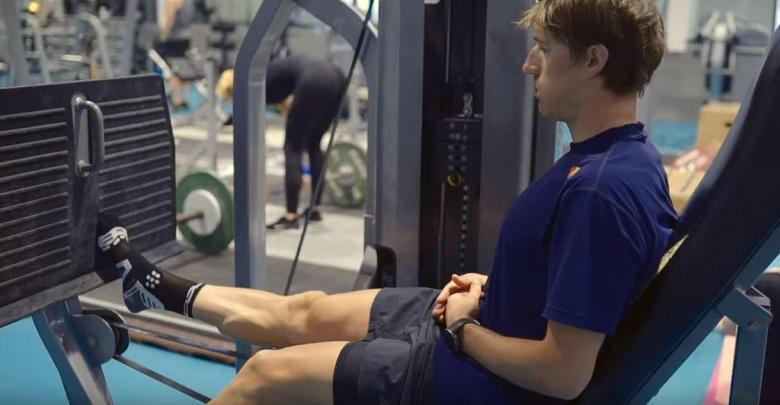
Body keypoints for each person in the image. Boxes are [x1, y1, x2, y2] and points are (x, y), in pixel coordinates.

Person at [96, 0, 676, 403]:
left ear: (595, 61)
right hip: (477, 322)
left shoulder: (602, 190)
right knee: (308, 312)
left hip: (478, 379)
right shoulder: (607, 157)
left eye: (545, 50)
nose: (529, 63)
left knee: (265, 373)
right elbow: (561, 280)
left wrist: (465, 331)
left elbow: (563, 374)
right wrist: (484, 288)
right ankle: (149, 285)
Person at [216, 55, 346, 230]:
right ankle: (315, 209)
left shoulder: (254, 81)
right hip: (336, 76)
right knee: (314, 144)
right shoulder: (266, 73)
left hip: (313, 79)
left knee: (292, 147)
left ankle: (290, 215)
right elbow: (287, 103)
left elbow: (255, 108)